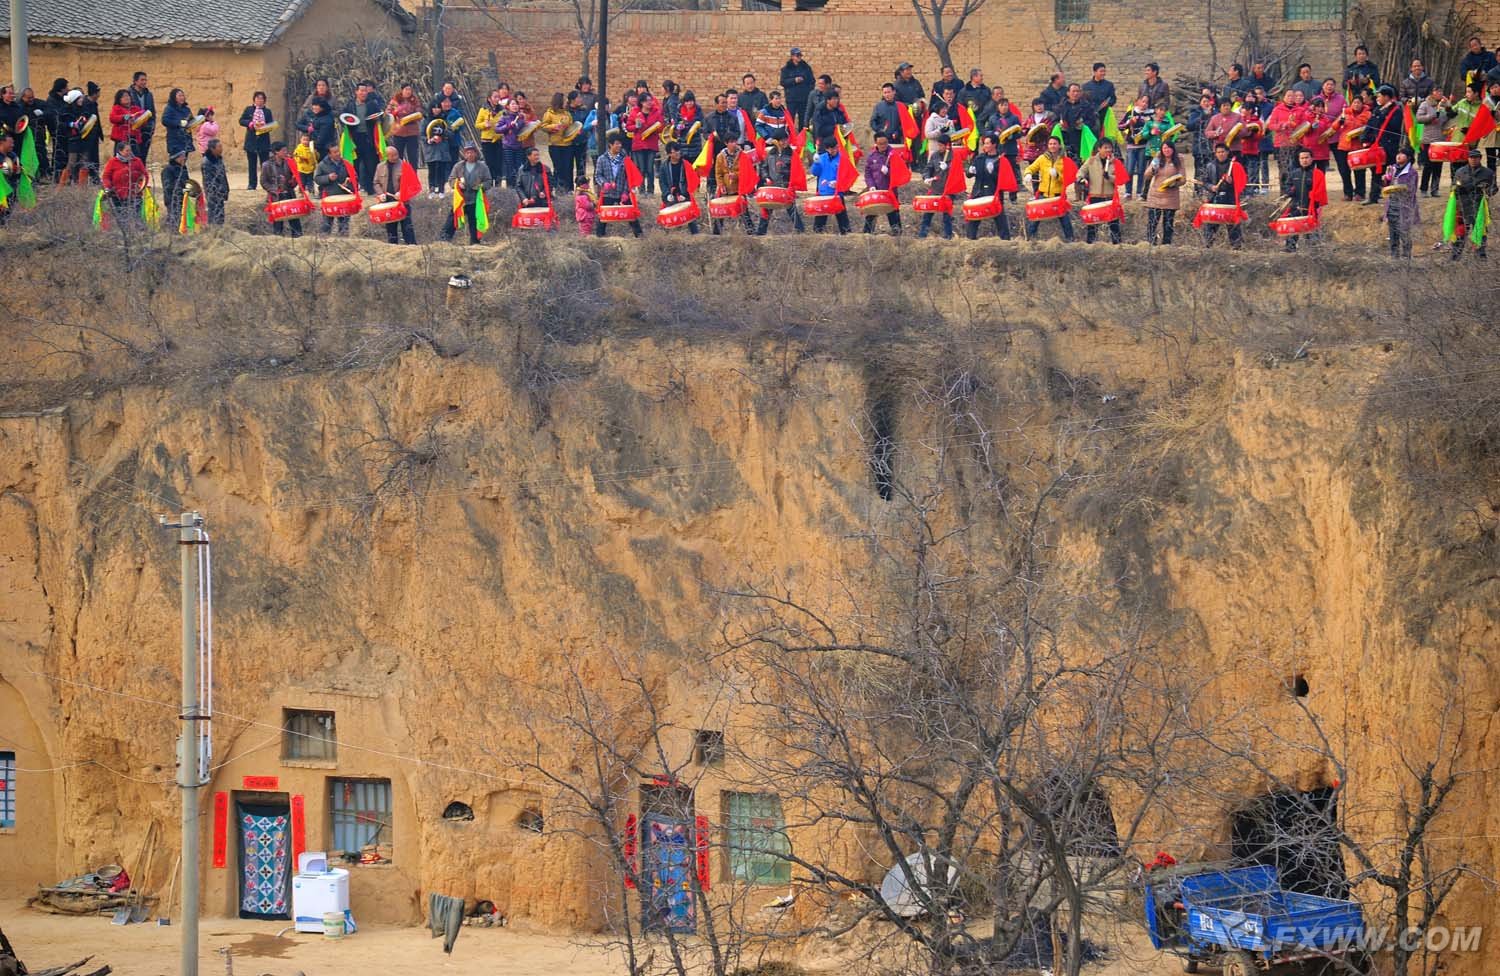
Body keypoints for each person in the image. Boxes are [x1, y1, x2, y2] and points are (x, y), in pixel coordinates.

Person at [1023, 135, 1076, 241]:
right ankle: (1029, 240)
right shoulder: (1042, 158)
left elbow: (1068, 178)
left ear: (1059, 145)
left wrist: (1057, 176)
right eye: (1050, 144)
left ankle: (1070, 240)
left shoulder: (1065, 161)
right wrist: (1028, 174)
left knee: (1065, 220)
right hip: (1043, 194)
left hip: (1058, 196)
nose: (1052, 146)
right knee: (1035, 218)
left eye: (1055, 144)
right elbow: (1031, 168)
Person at [1448, 147, 1495, 259]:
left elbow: (1494, 189)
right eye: (1471, 158)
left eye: (1476, 158)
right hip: (1463, 206)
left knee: (1480, 230)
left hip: (1479, 206)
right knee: (1460, 231)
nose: (1473, 160)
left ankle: (1480, 253)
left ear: (1480, 158)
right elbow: (1453, 187)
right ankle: (1456, 253)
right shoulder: (1460, 171)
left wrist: (1485, 189)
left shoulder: (1488, 173)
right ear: (1468, 159)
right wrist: (1456, 189)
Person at [965, 133, 1014, 240]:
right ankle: (970, 240)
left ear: (994, 144)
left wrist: (993, 172)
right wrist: (970, 171)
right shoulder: (979, 158)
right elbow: (969, 175)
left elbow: (1004, 178)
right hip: (978, 191)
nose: (985, 146)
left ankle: (1006, 240)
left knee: (999, 218)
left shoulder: (1001, 160)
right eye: (984, 143)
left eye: (987, 143)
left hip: (994, 192)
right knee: (974, 219)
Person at [1196, 143, 1244, 249]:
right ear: (1215, 153)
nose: (1221, 154)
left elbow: (1242, 182)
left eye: (1223, 152)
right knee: (1211, 224)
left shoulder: (1234, 165)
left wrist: (1232, 182)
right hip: (1215, 197)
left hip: (1230, 198)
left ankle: (1236, 247)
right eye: (1218, 152)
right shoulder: (1210, 166)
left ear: (1227, 152)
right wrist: (1211, 187)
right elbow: (1204, 182)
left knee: (1233, 224)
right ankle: (1208, 246)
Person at [756, 130, 804, 235]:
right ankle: (760, 232)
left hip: (785, 186)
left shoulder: (791, 154)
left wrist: (790, 183)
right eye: (782, 140)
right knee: (766, 209)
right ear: (776, 142)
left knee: (791, 209)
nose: (785, 142)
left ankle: (800, 231)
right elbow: (764, 167)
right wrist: (766, 177)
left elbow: (796, 171)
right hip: (772, 186)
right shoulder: (771, 154)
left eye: (786, 139)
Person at [593, 133, 642, 237]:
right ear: (610, 145)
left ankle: (639, 236)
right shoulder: (602, 159)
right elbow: (598, 175)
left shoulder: (625, 159)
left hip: (622, 191)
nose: (619, 146)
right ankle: (599, 237)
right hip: (608, 193)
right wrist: (604, 183)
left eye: (620, 144)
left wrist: (625, 192)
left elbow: (629, 177)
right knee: (603, 216)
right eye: (617, 144)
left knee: (631, 215)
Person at [1363, 86, 1405, 205]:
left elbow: (1394, 127)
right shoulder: (1377, 109)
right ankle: (1373, 196)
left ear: (1386, 97)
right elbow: (1370, 124)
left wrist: (1382, 115)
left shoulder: (1396, 110)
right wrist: (1365, 138)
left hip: (1390, 146)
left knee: (1390, 171)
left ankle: (1392, 196)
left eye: (1380, 96)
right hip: (1377, 145)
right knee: (1375, 171)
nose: (1377, 98)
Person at [1076, 139, 1123, 243]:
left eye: (1110, 148)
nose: (1108, 150)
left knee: (1114, 223)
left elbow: (1120, 179)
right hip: (1095, 196)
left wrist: (1109, 177)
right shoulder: (1091, 160)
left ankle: (1117, 244)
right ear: (1099, 149)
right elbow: (1081, 171)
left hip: (1109, 197)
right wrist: (1080, 178)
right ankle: (1090, 244)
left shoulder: (1115, 162)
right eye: (1105, 148)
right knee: (1092, 224)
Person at [367, 144, 417, 244]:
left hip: (402, 202)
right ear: (387, 156)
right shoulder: (380, 167)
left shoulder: (405, 166)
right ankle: (393, 247)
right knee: (391, 229)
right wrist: (380, 194)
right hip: (387, 203)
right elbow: (376, 183)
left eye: (396, 154)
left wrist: (402, 192)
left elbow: (412, 184)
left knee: (407, 228)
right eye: (392, 155)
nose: (395, 157)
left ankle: (412, 246)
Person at [445, 143, 493, 244]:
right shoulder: (458, 166)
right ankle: (444, 240)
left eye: (472, 152)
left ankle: (475, 243)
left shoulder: (483, 167)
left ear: (476, 153)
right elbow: (451, 179)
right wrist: (457, 184)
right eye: (467, 152)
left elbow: (488, 181)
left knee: (474, 222)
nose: (470, 154)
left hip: (475, 200)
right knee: (452, 221)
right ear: (464, 154)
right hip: (461, 199)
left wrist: (481, 186)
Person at [916, 132, 960, 239]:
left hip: (948, 190)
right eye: (938, 145)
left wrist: (948, 168)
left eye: (941, 145)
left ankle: (948, 236)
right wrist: (926, 177)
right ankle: (922, 236)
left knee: (947, 215)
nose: (939, 147)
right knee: (928, 213)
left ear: (947, 145)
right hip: (935, 188)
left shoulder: (955, 156)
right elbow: (928, 168)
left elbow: (957, 173)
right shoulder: (935, 155)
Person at [1281, 147, 1326, 252]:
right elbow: (1287, 186)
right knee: (1292, 227)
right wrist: (1289, 191)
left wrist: (1313, 199)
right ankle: (1290, 247)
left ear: (1311, 159)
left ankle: (1314, 249)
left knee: (1311, 230)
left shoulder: (1317, 174)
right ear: (1299, 159)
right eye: (1302, 158)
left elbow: (1321, 191)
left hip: (1311, 207)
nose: (1304, 160)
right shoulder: (1294, 173)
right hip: (1296, 205)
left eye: (1306, 158)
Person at [344, 81, 384, 194]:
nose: (363, 93)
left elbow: (380, 117)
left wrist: (377, 119)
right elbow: (344, 117)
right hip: (354, 138)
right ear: (356, 92)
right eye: (361, 91)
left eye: (365, 91)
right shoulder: (350, 105)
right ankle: (354, 188)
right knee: (354, 163)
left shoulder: (372, 104)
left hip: (368, 138)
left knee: (371, 164)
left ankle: (371, 189)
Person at [1379, 146, 1419, 259]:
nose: (1398, 156)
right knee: (1393, 234)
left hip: (1404, 206)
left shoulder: (1412, 172)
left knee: (1404, 233)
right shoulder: (1392, 169)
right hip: (1391, 205)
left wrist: (1397, 187)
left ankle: (1406, 257)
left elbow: (1411, 190)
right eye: (1398, 153)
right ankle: (1394, 257)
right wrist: (1386, 179)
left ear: (1409, 157)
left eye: (1402, 154)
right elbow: (1386, 186)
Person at [711, 139, 757, 235]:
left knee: (743, 209)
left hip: (738, 187)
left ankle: (750, 231)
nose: (734, 144)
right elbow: (718, 173)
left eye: (735, 142)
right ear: (726, 143)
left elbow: (746, 171)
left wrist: (736, 175)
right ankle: (716, 233)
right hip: (725, 186)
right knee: (721, 210)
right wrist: (721, 185)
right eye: (731, 142)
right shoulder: (720, 156)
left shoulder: (742, 156)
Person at [861, 133, 903, 236]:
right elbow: (868, 173)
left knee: (893, 212)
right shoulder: (872, 156)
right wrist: (871, 185)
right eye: (880, 143)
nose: (883, 146)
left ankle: (897, 234)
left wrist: (888, 172)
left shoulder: (893, 155)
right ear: (876, 143)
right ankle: (867, 234)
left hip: (890, 190)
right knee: (872, 212)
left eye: (885, 143)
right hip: (876, 189)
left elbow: (899, 172)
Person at [1332, 91, 1371, 200]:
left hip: (1358, 146)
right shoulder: (1345, 113)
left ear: (1362, 104)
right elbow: (1334, 127)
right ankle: (1347, 193)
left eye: (1358, 103)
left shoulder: (1367, 115)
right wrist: (1340, 122)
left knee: (1359, 171)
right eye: (1354, 102)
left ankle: (1360, 193)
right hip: (1343, 146)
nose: (1356, 105)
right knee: (1344, 171)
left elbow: (1369, 129)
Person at [1267, 88, 1307, 194]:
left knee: (1296, 168)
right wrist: (1282, 125)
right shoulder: (1277, 109)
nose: (1290, 98)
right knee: (1284, 168)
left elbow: (1304, 126)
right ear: (1283, 97)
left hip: (1296, 143)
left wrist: (1296, 127)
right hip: (1282, 143)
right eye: (1288, 96)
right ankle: (1284, 192)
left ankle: (1296, 191)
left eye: (1293, 96)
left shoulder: (1300, 110)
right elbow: (1271, 125)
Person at [1414, 89, 1453, 196]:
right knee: (1428, 165)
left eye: (1441, 92)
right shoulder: (1425, 104)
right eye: (1437, 92)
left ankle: (1435, 189)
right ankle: (1424, 189)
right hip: (1428, 139)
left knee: (1438, 166)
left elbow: (1449, 117)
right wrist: (1432, 116)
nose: (1440, 94)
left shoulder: (1444, 105)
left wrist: (1449, 108)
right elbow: (1419, 118)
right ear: (1432, 93)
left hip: (1441, 139)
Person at [1143, 141, 1183, 244]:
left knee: (1168, 223)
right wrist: (1153, 169)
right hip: (1155, 195)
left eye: (1169, 148)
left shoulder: (1179, 160)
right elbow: (1146, 175)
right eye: (1164, 148)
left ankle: (1166, 244)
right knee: (1152, 222)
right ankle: (1151, 243)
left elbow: (1183, 179)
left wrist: (1174, 184)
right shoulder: (1157, 159)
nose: (1167, 150)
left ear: (1173, 149)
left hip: (1171, 196)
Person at [808, 137, 851, 234]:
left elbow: (847, 176)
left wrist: (838, 183)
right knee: (820, 219)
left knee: (842, 218)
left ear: (837, 146)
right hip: (823, 193)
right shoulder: (822, 158)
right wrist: (816, 163)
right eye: (830, 149)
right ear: (826, 149)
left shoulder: (843, 159)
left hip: (837, 193)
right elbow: (815, 173)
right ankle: (817, 235)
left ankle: (846, 234)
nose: (833, 151)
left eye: (834, 148)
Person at [313, 141, 356, 236]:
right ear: (329, 154)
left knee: (344, 222)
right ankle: (324, 238)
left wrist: (348, 183)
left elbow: (354, 176)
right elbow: (316, 178)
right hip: (329, 197)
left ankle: (343, 238)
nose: (338, 154)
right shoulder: (322, 165)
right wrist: (328, 178)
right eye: (335, 152)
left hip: (344, 197)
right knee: (327, 222)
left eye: (338, 151)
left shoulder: (346, 163)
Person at [655, 144, 700, 235]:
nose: (677, 153)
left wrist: (685, 194)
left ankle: (695, 235)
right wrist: (667, 194)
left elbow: (691, 180)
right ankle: (667, 236)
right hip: (670, 195)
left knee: (691, 217)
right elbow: (662, 182)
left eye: (678, 150)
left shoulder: (686, 164)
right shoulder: (664, 166)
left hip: (684, 194)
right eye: (674, 151)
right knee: (668, 217)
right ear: (669, 154)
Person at [100, 141, 148, 224]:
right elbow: (106, 177)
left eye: (130, 150)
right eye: (127, 151)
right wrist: (108, 187)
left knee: (137, 218)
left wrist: (140, 187)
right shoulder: (112, 162)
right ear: (120, 151)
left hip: (135, 195)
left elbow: (145, 176)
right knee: (122, 219)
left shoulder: (137, 161)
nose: (129, 152)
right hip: (118, 195)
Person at [626, 91, 662, 195]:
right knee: (641, 168)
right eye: (647, 101)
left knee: (650, 168)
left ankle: (650, 190)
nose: (649, 103)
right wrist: (636, 126)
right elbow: (628, 127)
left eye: (650, 100)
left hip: (651, 144)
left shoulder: (656, 112)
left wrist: (654, 128)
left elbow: (661, 126)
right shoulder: (635, 112)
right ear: (641, 102)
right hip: (639, 144)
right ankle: (641, 189)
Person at [239, 91, 274, 191]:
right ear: (254, 100)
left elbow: (271, 124)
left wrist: (264, 127)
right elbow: (241, 120)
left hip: (263, 141)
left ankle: (266, 184)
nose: (259, 100)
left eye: (262, 98)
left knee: (264, 165)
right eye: (258, 98)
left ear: (264, 100)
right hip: (251, 141)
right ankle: (252, 184)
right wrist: (250, 124)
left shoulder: (267, 112)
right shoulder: (249, 110)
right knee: (252, 165)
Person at [1120, 95, 1152, 197]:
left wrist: (1149, 124)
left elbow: (1155, 126)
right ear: (1137, 102)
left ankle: (1139, 191)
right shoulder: (1131, 113)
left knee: (1141, 170)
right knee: (1129, 169)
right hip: (1131, 145)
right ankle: (1128, 191)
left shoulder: (1151, 114)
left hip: (1143, 145)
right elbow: (1120, 126)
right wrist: (1129, 123)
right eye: (1143, 101)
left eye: (1147, 102)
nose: (1144, 104)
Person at [386, 84, 423, 170]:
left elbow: (419, 113)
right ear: (402, 90)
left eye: (410, 90)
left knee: (413, 156)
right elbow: (388, 113)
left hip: (412, 131)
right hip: (398, 131)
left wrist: (413, 116)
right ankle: (397, 173)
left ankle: (413, 174)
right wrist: (395, 113)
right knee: (398, 155)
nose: (408, 92)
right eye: (406, 89)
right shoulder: (395, 100)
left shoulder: (415, 100)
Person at [1057, 83, 1098, 160]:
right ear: (1068, 93)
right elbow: (1054, 121)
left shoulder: (1087, 106)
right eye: (1073, 91)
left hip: (1080, 138)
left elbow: (1092, 122)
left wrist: (1083, 125)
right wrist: (1060, 124)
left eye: (1078, 91)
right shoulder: (1062, 106)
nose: (1075, 93)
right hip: (1065, 138)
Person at [515, 146, 554, 225]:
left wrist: (544, 193)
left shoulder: (545, 169)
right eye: (535, 155)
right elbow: (518, 186)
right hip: (527, 202)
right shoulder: (522, 170)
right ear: (528, 157)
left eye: (538, 155)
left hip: (542, 202)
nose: (537, 157)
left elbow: (550, 184)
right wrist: (523, 198)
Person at [425, 101, 455, 196]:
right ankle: (432, 189)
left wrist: (442, 135)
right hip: (431, 149)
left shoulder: (444, 119)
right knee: (432, 170)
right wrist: (430, 139)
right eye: (434, 107)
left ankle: (441, 189)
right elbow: (422, 134)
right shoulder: (426, 120)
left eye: (438, 107)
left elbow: (451, 133)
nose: (436, 110)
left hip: (442, 149)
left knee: (442, 170)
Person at [476, 89, 507, 180]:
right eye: (495, 97)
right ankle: (490, 181)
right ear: (489, 99)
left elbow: (506, 122)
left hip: (499, 139)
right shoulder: (483, 110)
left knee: (498, 162)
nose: (497, 99)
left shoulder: (502, 110)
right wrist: (484, 125)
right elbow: (477, 124)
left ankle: (498, 180)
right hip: (487, 140)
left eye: (498, 97)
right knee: (490, 162)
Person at [781, 48, 815, 129]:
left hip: (804, 98)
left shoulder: (806, 68)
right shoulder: (786, 69)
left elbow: (812, 81)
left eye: (800, 55)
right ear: (792, 56)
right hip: (791, 99)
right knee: (790, 120)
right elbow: (783, 82)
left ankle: (802, 136)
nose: (799, 57)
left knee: (803, 120)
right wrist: (794, 80)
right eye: (797, 55)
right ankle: (790, 135)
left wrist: (808, 91)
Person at [127, 71, 156, 160]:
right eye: (142, 80)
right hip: (134, 129)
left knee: (144, 156)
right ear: (135, 81)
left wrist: (152, 127)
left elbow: (152, 112)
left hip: (146, 129)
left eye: (145, 80)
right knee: (134, 156)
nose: (144, 82)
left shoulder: (149, 94)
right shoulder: (128, 94)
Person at [161, 87, 194, 164]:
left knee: (183, 162)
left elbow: (191, 120)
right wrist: (179, 123)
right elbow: (165, 120)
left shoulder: (186, 109)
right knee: (175, 163)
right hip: (175, 140)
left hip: (186, 139)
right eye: (179, 95)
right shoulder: (169, 108)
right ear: (174, 97)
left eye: (183, 95)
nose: (182, 97)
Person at [108, 88, 143, 157]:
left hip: (134, 138)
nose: (126, 98)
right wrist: (124, 117)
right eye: (123, 96)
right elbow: (112, 118)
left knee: (136, 157)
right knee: (120, 158)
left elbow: (143, 121)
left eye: (127, 96)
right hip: (121, 138)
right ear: (119, 99)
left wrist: (137, 120)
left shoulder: (136, 109)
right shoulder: (116, 108)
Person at [201, 137, 228, 225]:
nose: (221, 149)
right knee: (214, 214)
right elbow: (208, 181)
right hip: (213, 194)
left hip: (221, 192)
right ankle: (213, 230)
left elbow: (223, 176)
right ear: (212, 149)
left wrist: (225, 189)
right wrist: (216, 192)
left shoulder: (219, 159)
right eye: (219, 147)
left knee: (220, 215)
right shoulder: (207, 162)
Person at [161, 147, 189, 231]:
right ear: (176, 157)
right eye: (182, 156)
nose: (184, 158)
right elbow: (168, 187)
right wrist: (181, 191)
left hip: (183, 199)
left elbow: (187, 182)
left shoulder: (183, 169)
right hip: (173, 200)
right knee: (174, 220)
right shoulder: (167, 170)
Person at [0, 133, 18, 224]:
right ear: (2, 142)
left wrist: (17, 169)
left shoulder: (13, 155)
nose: (12, 145)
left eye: (13, 143)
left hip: (11, 186)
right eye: (10, 143)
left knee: (8, 210)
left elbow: (18, 170)